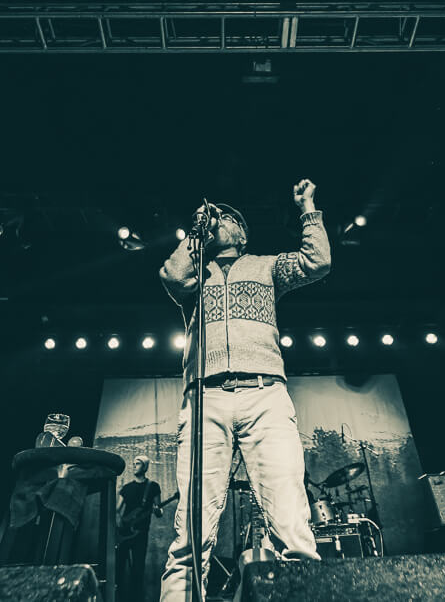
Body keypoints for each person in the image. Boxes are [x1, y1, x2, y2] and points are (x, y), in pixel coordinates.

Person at [158, 178, 331, 601]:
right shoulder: (197, 274)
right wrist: (196, 233)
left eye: (227, 217)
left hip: (265, 394)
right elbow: (170, 275)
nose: (219, 219)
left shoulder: (266, 265)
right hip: (205, 399)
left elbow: (317, 261)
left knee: (292, 526)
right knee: (190, 537)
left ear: (242, 232)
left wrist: (308, 208)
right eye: (214, 216)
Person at [117, 455, 163, 601]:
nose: (134, 466)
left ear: (145, 467)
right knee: (118, 567)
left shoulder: (153, 486)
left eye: (137, 464)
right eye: (133, 463)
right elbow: (117, 509)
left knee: (138, 569)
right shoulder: (127, 488)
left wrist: (157, 511)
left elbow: (159, 511)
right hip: (123, 533)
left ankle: (136, 598)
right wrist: (119, 524)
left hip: (140, 534)